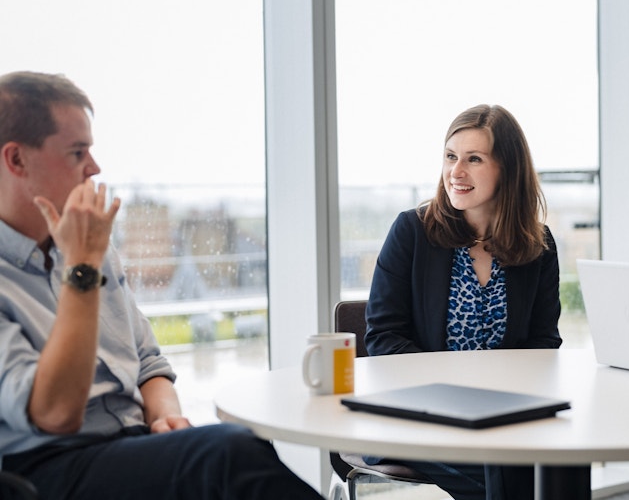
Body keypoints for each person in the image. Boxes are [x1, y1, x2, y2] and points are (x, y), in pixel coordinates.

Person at [0, 71, 322, 499]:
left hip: (130, 443)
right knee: (226, 455)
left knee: (236, 447)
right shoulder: (84, 255)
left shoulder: (90, 249)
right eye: (78, 153)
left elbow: (148, 363)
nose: (94, 168)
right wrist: (82, 268)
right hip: (45, 468)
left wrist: (164, 416)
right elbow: (54, 415)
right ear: (17, 160)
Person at [363, 104, 562, 499]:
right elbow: (383, 337)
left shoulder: (538, 245)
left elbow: (544, 343)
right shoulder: (412, 232)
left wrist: (503, 404)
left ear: (508, 168)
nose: (456, 171)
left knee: (556, 458)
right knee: (513, 473)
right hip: (418, 414)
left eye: (474, 159)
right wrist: (456, 393)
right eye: (451, 157)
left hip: (502, 417)